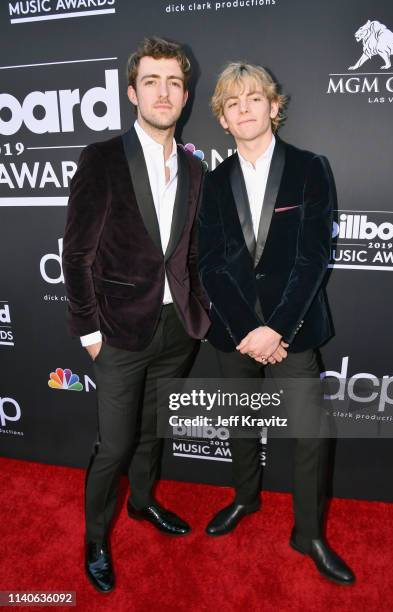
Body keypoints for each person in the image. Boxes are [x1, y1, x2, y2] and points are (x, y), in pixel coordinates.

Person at [62, 37, 210, 593]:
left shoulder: (196, 169)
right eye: (152, 81)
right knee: (116, 445)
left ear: (186, 94)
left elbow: (191, 252)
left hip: (178, 331)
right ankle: (96, 537)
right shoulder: (102, 159)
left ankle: (143, 504)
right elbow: (74, 255)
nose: (163, 91)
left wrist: (201, 309)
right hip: (119, 335)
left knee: (152, 435)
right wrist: (91, 332)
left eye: (173, 82)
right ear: (132, 92)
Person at [198, 62, 355, 585]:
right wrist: (248, 330)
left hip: (295, 331)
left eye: (253, 99)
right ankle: (245, 499)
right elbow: (210, 264)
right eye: (232, 104)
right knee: (243, 424)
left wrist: (277, 330)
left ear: (273, 105)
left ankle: (308, 532)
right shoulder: (213, 182)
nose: (244, 110)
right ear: (222, 118)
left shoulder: (311, 168)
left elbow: (313, 260)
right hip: (234, 333)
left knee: (311, 431)